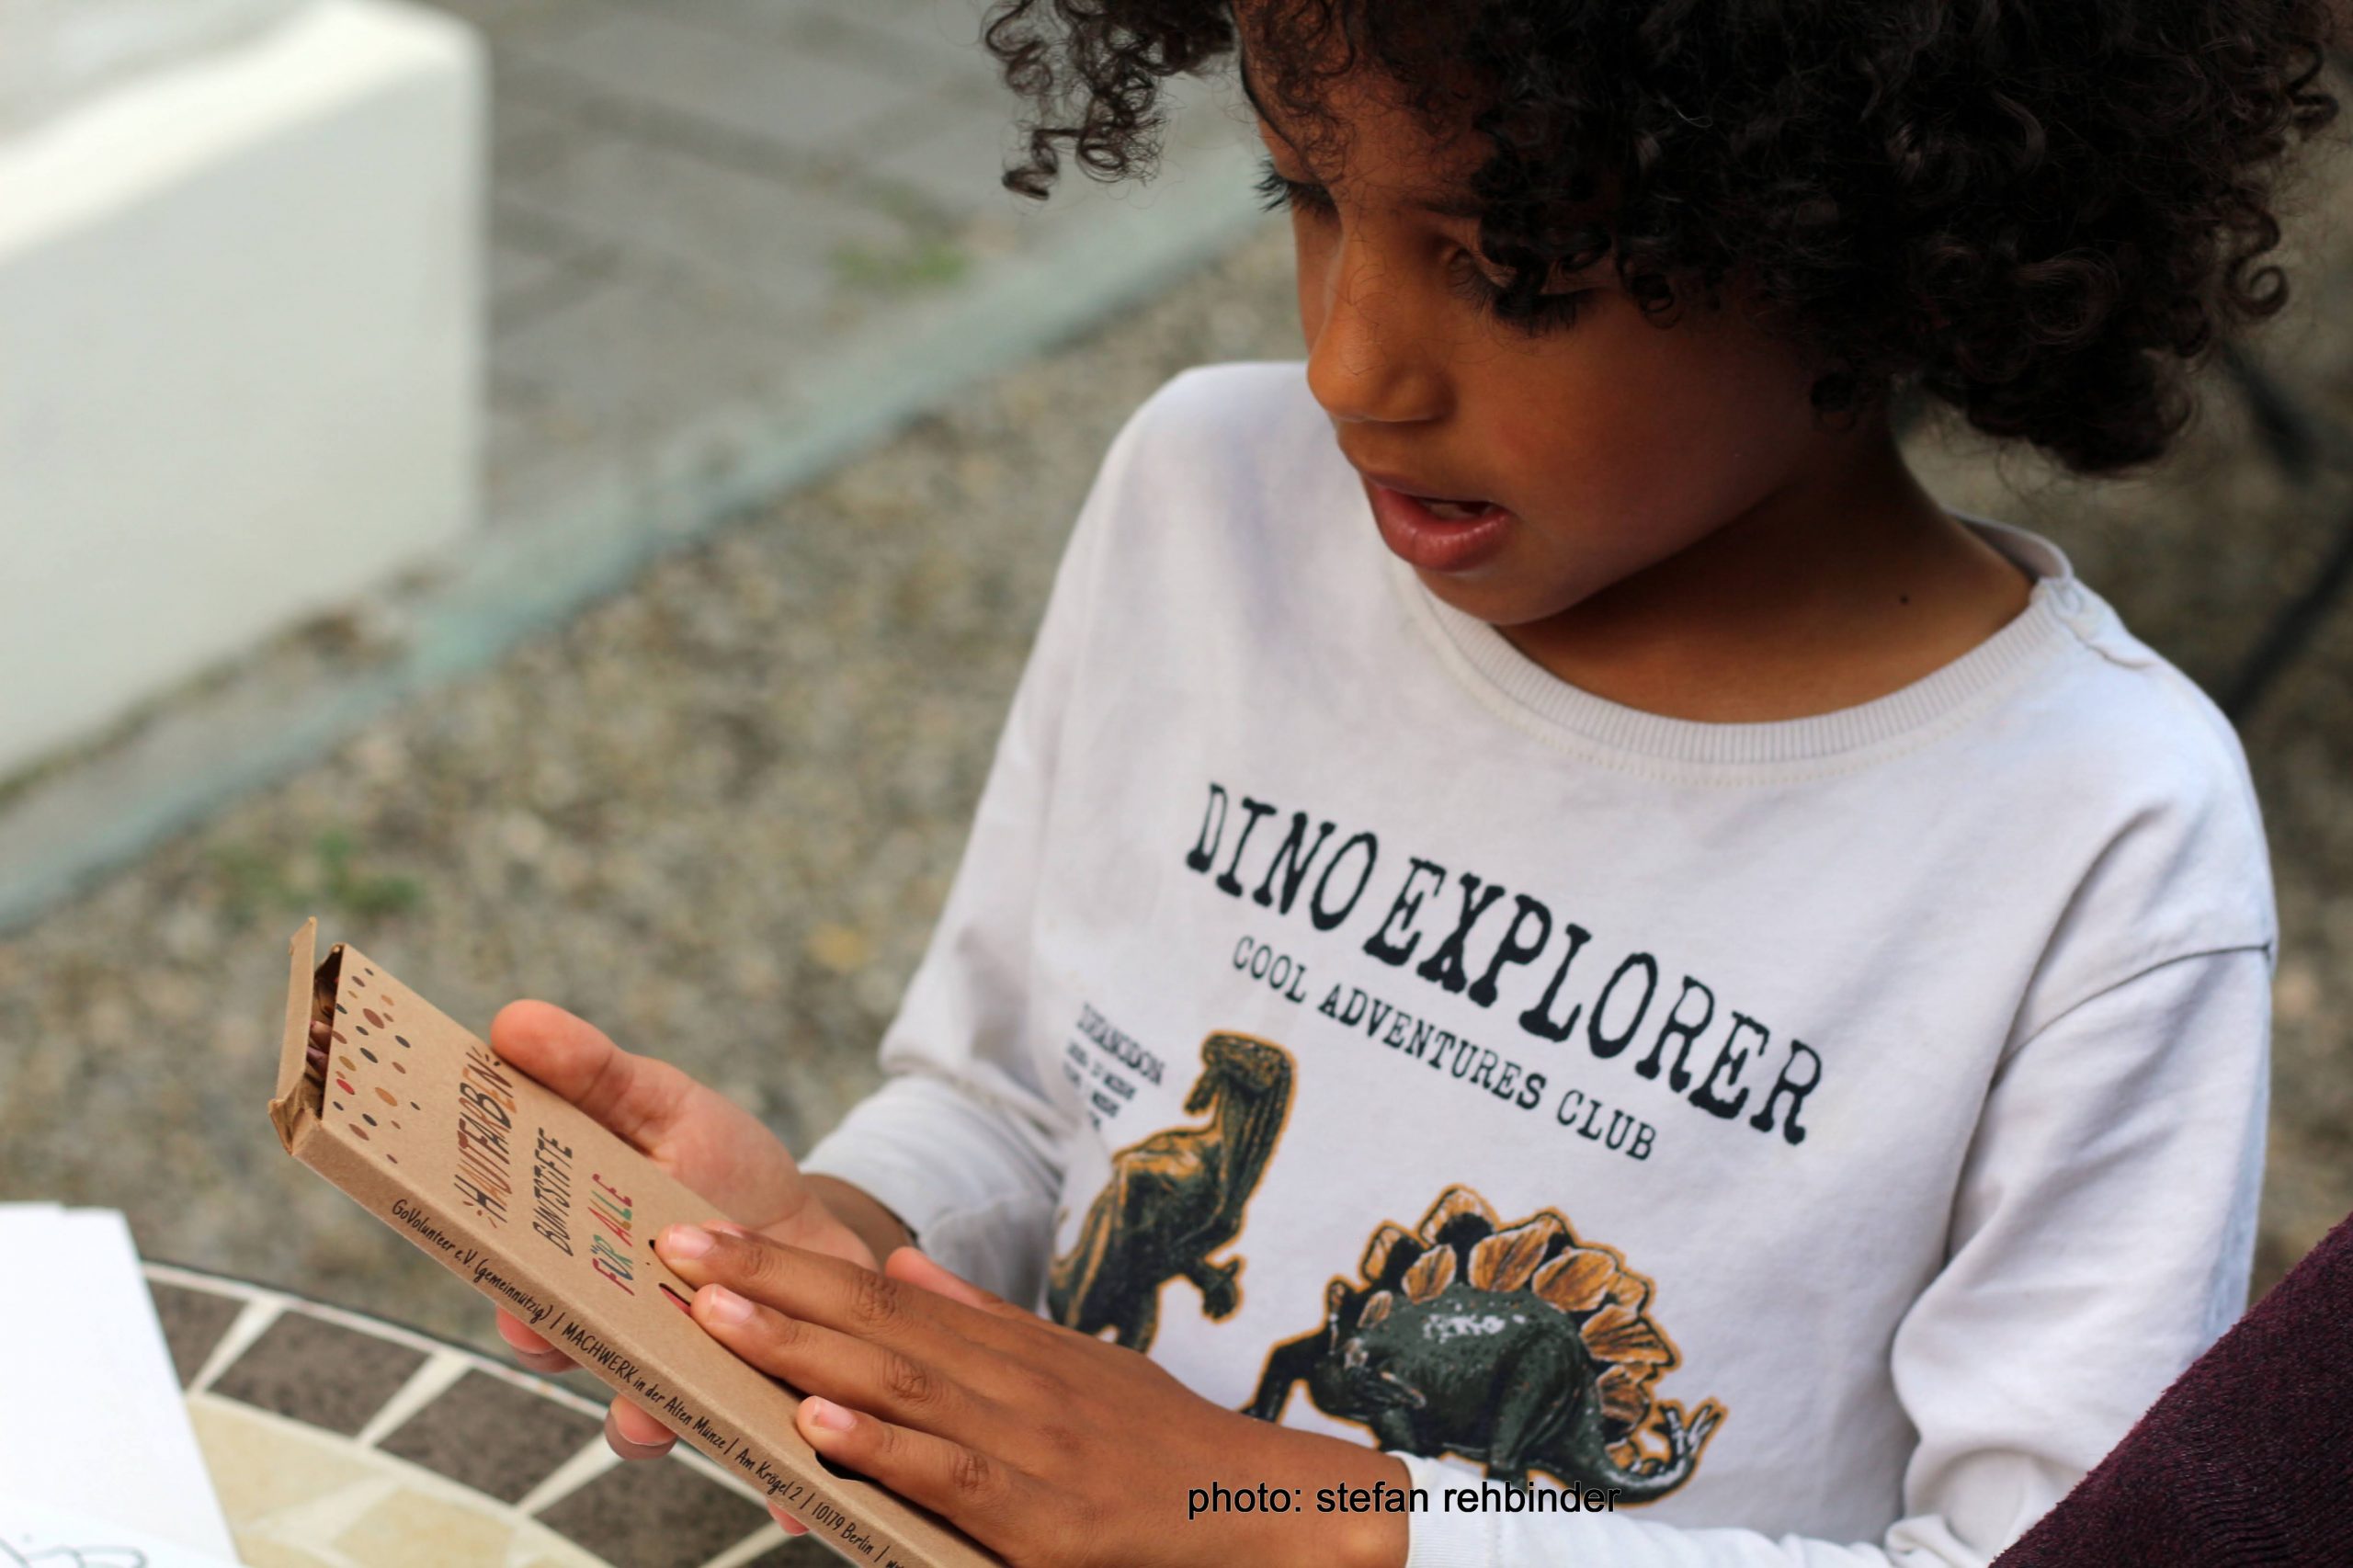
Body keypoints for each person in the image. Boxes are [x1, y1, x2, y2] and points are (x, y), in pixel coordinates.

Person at [488, 1, 2341, 1562]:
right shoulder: (1205, 502)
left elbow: (2040, 1552)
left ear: (1859, 236)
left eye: (1510, 268)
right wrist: (828, 1246)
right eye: (1302, 194)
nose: (1347, 364)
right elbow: (1020, 1103)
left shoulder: (2090, 834)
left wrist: (1299, 1516)